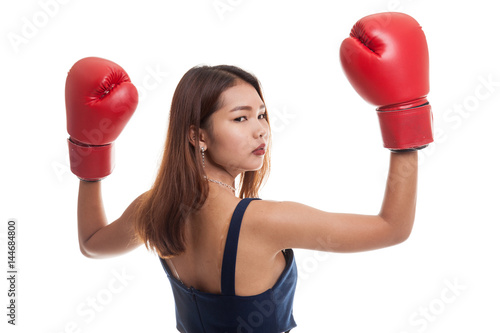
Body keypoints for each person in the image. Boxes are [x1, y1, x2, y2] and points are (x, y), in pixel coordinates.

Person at [66, 12, 433, 333]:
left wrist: (91, 154)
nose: (261, 130)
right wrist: (404, 117)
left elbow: (92, 243)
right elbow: (392, 228)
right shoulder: (264, 221)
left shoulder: (155, 209)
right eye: (240, 118)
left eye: (261, 115)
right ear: (198, 135)